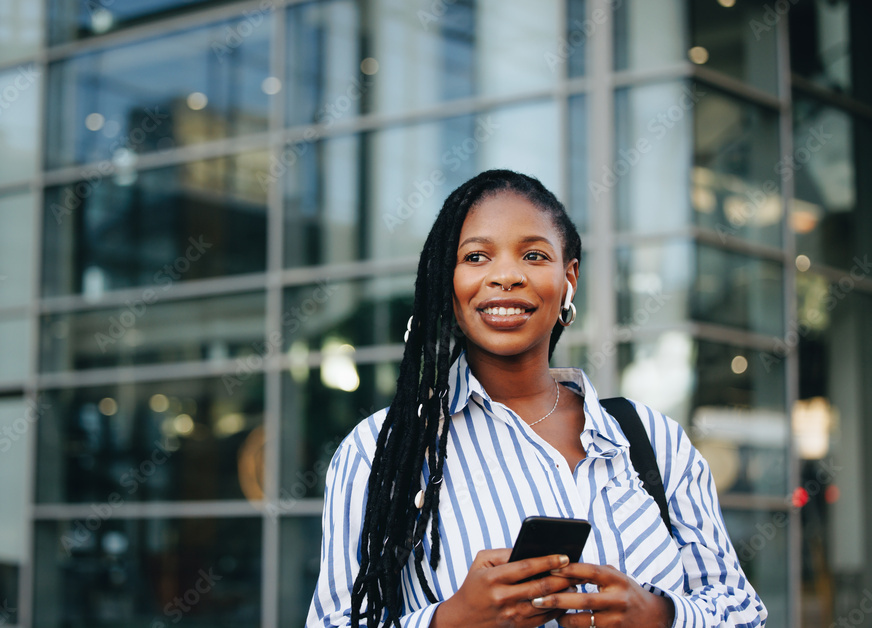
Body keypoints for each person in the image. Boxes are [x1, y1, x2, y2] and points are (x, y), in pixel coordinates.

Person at [306, 170, 766, 627]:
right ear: (447, 283)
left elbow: (742, 611)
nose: (506, 275)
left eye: (533, 254)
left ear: (569, 279)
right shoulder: (382, 451)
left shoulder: (653, 440)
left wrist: (662, 616)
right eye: (476, 257)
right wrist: (451, 622)